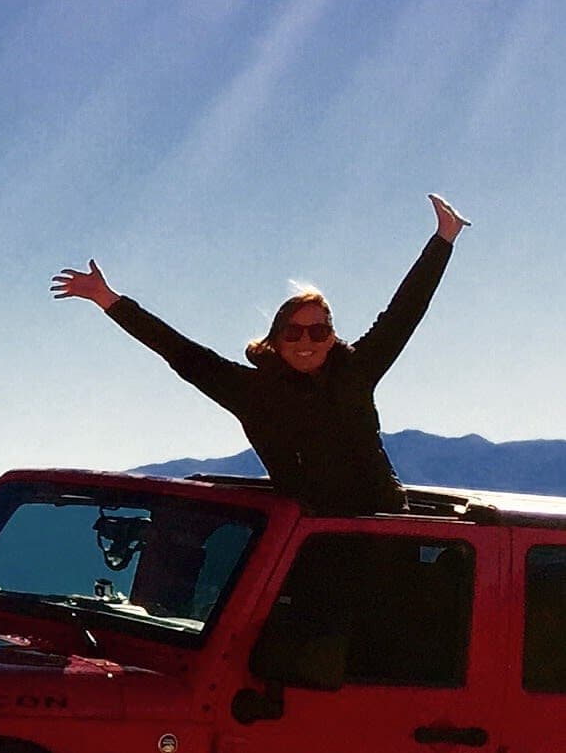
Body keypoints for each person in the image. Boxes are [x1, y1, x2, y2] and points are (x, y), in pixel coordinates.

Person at [51, 194, 470, 515]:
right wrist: (108, 299)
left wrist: (443, 239)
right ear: (275, 339)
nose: (306, 340)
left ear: (331, 337)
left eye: (318, 330)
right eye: (294, 331)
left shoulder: (356, 370)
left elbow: (404, 313)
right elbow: (180, 352)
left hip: (386, 528)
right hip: (306, 542)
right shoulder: (250, 391)